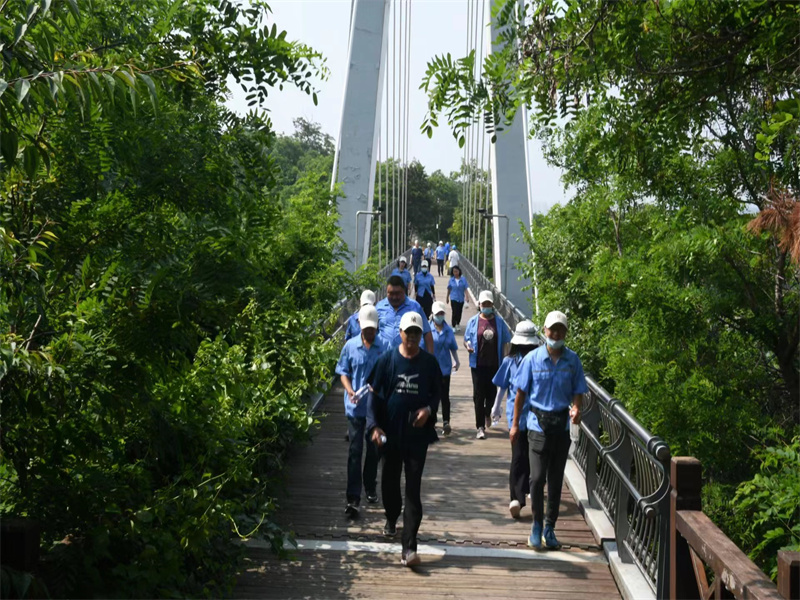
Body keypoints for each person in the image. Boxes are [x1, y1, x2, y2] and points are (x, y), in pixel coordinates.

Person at [367, 312, 442, 568]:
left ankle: (409, 547)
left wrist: (428, 410)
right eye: (408, 332)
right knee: (389, 484)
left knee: (413, 489)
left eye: (416, 333)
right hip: (390, 436)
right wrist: (374, 426)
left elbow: (437, 394)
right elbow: (373, 396)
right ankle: (391, 516)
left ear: (421, 335)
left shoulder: (429, 363)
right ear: (400, 333)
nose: (412, 337)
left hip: (416, 437)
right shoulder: (387, 360)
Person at [511, 310, 586, 550]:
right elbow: (520, 394)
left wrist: (576, 408)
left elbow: (578, 390)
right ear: (544, 331)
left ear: (566, 333)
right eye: (552, 329)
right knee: (536, 478)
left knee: (555, 480)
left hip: (561, 425)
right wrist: (515, 425)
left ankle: (549, 528)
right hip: (537, 425)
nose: (556, 334)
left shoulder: (572, 360)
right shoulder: (532, 359)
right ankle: (536, 524)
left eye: (560, 330)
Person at [335, 305, 387, 518]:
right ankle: (353, 498)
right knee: (355, 452)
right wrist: (349, 390)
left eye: (372, 329)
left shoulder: (384, 347)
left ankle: (370, 486)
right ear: (360, 326)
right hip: (355, 408)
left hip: (376, 408)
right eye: (366, 329)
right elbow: (343, 372)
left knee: (374, 450)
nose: (369, 332)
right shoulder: (350, 346)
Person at [490, 320, 541, 518]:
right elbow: (502, 386)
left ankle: (528, 487)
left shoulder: (540, 362)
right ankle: (516, 499)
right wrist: (496, 407)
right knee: (518, 456)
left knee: (533, 457)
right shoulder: (509, 362)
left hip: (536, 418)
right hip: (517, 418)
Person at [464, 291, 512, 439]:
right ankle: (480, 427)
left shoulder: (499, 322)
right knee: (478, 396)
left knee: (492, 395)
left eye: (488, 304)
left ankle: (487, 412)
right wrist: (467, 346)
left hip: (494, 364)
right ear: (479, 304)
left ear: (492, 305)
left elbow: (506, 341)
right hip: (477, 364)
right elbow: (466, 339)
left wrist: (506, 359)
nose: (486, 306)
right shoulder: (473, 321)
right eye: (483, 304)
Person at [376, 275, 434, 354]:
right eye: (391, 293)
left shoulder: (414, 307)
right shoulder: (379, 307)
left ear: (404, 291)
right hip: (385, 356)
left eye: (397, 293)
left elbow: (427, 332)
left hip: (411, 356)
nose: (394, 297)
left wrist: (431, 357)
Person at [430, 301, 459, 435]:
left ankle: (446, 422)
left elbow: (452, 346)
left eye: (442, 313)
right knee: (432, 396)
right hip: (431, 369)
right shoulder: (428, 330)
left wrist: (457, 361)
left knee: (444, 396)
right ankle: (432, 422)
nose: (440, 316)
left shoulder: (448, 330)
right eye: (438, 314)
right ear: (433, 314)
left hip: (445, 368)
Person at [445, 265, 469, 332]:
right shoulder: (451, 280)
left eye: (456, 271)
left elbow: (465, 289)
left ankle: (458, 323)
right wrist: (447, 297)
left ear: (459, 271)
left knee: (459, 312)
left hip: (461, 298)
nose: (455, 273)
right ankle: (453, 325)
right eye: (454, 272)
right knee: (454, 312)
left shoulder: (463, 279)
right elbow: (449, 289)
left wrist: (467, 297)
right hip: (453, 298)